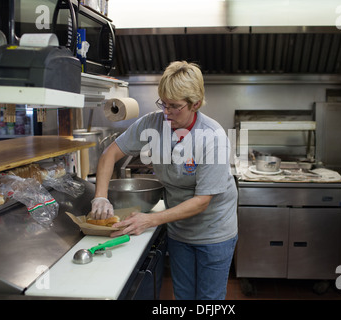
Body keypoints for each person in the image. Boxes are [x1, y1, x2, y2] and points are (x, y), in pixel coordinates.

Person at [90, 61, 238, 300]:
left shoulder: (213, 137)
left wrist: (150, 220)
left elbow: (202, 201)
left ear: (195, 104)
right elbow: (110, 154)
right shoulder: (153, 123)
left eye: (175, 107)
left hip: (214, 232)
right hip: (179, 230)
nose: (166, 112)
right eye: (163, 104)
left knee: (209, 300)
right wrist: (100, 196)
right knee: (183, 296)